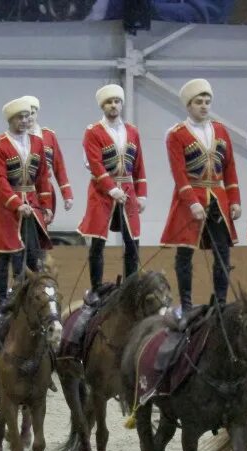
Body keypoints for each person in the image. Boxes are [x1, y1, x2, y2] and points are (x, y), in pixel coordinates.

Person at [160, 79, 241, 315]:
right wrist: (192, 202)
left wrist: (234, 199)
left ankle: (221, 302)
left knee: (223, 254)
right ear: (189, 105)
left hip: (218, 196)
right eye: (199, 102)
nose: (204, 106)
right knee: (185, 252)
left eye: (207, 101)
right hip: (190, 198)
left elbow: (229, 168)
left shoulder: (222, 131)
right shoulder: (177, 134)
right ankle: (185, 304)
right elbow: (179, 173)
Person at [0, 97, 54, 309]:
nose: (24, 120)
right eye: (19, 117)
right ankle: (1, 304)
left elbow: (42, 176)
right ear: (10, 119)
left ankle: (28, 301)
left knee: (32, 257)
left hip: (31, 206)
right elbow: (0, 179)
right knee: (5, 257)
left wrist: (46, 205)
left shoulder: (38, 143)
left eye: (26, 116)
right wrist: (16, 203)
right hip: (5, 209)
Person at [77, 83, 147, 294]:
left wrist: (142, 194)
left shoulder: (132, 132)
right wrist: (110, 188)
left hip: (128, 191)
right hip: (101, 193)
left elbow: (139, 165)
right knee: (98, 242)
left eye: (117, 101)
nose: (113, 105)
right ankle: (96, 288)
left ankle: (130, 286)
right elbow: (96, 163)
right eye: (109, 102)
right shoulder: (93, 132)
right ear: (103, 106)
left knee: (132, 242)